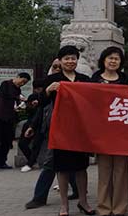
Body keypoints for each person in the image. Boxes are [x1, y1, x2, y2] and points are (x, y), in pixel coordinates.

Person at [42, 45, 94, 216]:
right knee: (62, 168)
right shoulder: (52, 79)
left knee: (81, 167)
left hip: (80, 129)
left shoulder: (84, 79)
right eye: (67, 58)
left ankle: (83, 202)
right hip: (61, 129)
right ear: (60, 60)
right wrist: (48, 91)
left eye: (73, 58)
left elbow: (94, 99)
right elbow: (41, 102)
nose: (70, 61)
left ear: (77, 60)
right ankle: (64, 205)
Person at [91, 47, 128, 216]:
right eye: (110, 58)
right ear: (103, 60)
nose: (113, 61)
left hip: (122, 133)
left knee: (121, 172)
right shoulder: (95, 79)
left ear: (121, 62)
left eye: (116, 59)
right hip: (102, 133)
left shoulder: (126, 79)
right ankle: (104, 208)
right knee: (104, 172)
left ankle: (119, 208)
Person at [24, 60, 79, 209]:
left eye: (59, 67)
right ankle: (39, 197)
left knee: (66, 161)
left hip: (72, 129)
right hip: (53, 130)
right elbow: (41, 108)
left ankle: (76, 191)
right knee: (52, 162)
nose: (57, 69)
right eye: (55, 66)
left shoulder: (77, 81)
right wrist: (32, 126)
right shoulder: (50, 84)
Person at [0, 71, 30, 169]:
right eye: (22, 81)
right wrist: (18, 97)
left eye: (25, 83)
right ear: (18, 77)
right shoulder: (5, 84)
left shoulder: (18, 90)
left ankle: (2, 162)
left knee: (7, 141)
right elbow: (7, 95)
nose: (22, 84)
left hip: (9, 118)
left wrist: (20, 105)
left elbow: (17, 102)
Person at [18, 78, 45, 172]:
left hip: (41, 124)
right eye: (37, 89)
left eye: (40, 89)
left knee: (36, 144)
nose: (39, 91)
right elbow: (28, 110)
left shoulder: (47, 97)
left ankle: (30, 163)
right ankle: (32, 161)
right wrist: (32, 105)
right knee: (22, 143)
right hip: (30, 123)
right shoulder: (32, 96)